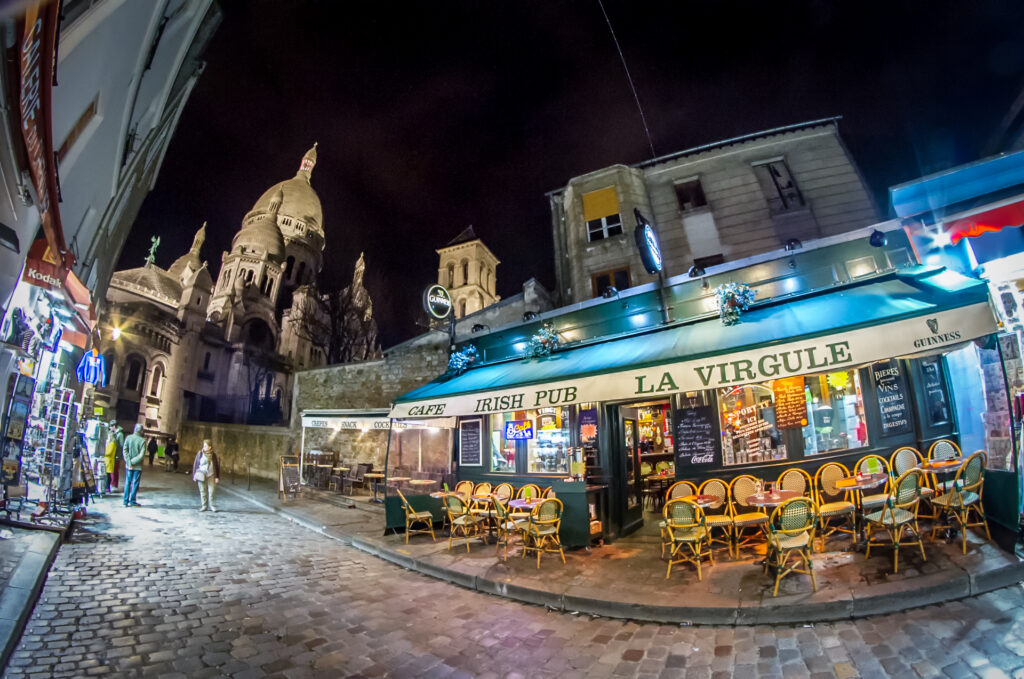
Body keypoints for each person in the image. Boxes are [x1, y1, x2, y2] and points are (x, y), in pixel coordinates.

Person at [122, 424, 146, 507]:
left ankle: (125, 501)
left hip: (129, 466)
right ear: (141, 431)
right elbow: (141, 455)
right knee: (135, 483)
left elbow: (125, 451)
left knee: (127, 482)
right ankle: (132, 501)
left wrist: (129, 462)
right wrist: (133, 462)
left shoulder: (128, 438)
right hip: (137, 467)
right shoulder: (142, 441)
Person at [192, 439, 220, 512]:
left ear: (209, 447)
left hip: (211, 475)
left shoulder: (213, 455)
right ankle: (204, 506)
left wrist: (217, 477)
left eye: (205, 446)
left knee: (211, 491)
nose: (204, 447)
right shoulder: (200, 454)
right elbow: (196, 464)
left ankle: (212, 506)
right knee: (203, 491)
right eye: (203, 445)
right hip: (201, 474)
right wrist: (194, 475)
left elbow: (216, 466)